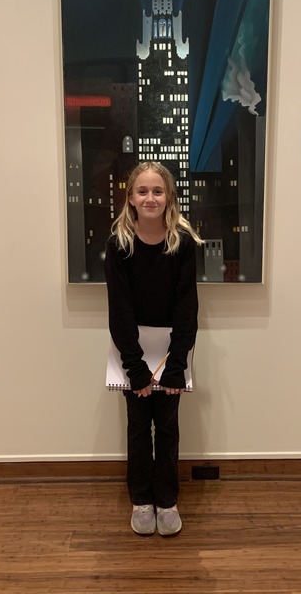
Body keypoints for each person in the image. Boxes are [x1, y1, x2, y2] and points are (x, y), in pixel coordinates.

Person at [104, 161, 202, 536]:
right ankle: (141, 500)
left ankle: (167, 500)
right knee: (137, 429)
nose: (150, 198)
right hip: (132, 355)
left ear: (169, 197)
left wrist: (177, 364)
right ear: (130, 197)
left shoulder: (183, 244)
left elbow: (186, 307)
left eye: (157, 191)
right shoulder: (120, 245)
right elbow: (120, 310)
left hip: (172, 355)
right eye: (142, 191)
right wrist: (136, 368)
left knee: (168, 427)